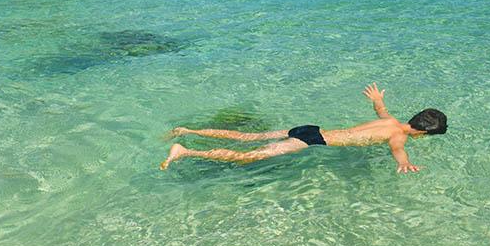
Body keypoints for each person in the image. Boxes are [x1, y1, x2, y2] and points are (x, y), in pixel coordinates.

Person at [160, 83, 447, 173]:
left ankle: (188, 131)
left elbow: (380, 110)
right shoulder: (399, 136)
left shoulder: (391, 121)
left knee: (246, 137)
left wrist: (378, 99)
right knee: (249, 156)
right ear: (422, 132)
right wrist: (406, 163)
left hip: (311, 128)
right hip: (313, 141)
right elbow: (397, 150)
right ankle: (184, 151)